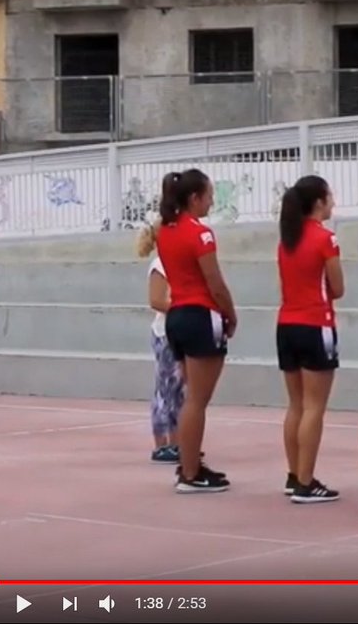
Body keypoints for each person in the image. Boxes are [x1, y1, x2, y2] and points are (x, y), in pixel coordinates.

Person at [155, 169, 237, 493]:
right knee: (197, 401)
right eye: (208, 195)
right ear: (194, 198)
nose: (212, 201)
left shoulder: (165, 231)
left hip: (176, 315)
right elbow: (214, 282)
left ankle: (190, 463)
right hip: (201, 314)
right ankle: (189, 472)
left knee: (192, 397)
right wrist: (230, 313)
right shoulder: (200, 234)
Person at [276, 175, 344, 503]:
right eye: (329, 196)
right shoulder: (325, 239)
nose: (333, 201)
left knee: (296, 405)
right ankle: (306, 481)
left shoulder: (286, 239)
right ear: (319, 202)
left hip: (287, 323)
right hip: (316, 323)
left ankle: (294, 474)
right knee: (315, 407)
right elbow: (338, 287)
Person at [137, 220, 184, 465]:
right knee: (165, 388)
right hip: (165, 332)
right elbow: (156, 300)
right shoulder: (160, 265)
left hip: (178, 330)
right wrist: (184, 307)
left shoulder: (176, 262)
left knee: (179, 391)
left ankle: (177, 442)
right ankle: (162, 443)